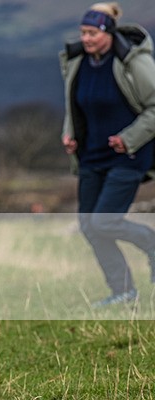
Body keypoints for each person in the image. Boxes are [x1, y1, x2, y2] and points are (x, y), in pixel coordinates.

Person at [60, 2, 155, 308]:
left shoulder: (132, 62)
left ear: (108, 32)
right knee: (89, 225)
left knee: (104, 221)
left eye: (92, 33)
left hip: (128, 156)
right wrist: (70, 133)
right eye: (82, 33)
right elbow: (74, 104)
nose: (86, 39)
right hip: (90, 156)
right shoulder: (77, 62)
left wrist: (129, 139)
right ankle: (124, 291)